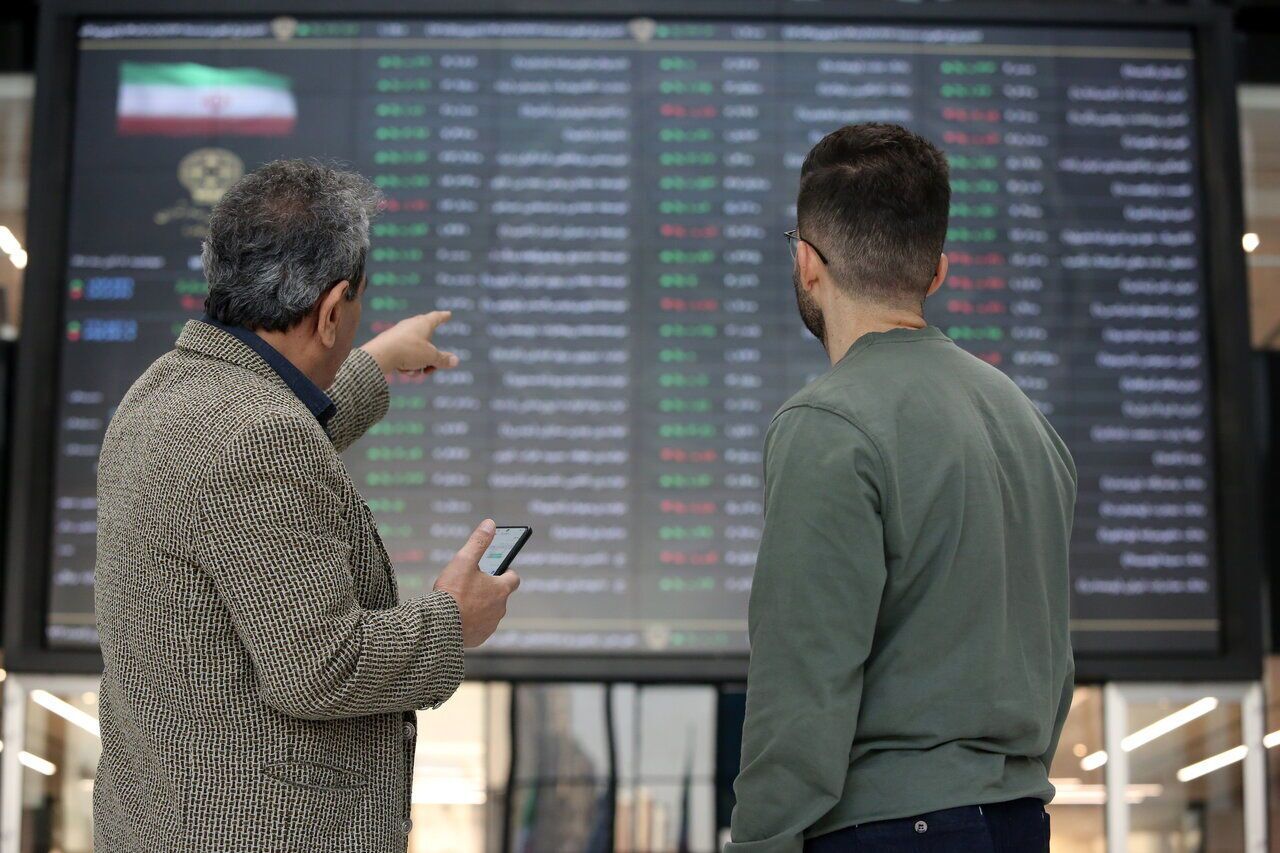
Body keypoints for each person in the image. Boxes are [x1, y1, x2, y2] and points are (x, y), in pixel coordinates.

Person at [93, 160, 519, 852]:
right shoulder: (259, 437)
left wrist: (372, 361)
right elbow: (322, 669)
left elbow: (253, 455)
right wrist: (452, 620)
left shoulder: (163, 392)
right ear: (332, 308)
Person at [726, 124, 1076, 853]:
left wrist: (759, 843)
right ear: (937, 271)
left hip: (886, 828)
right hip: (1018, 822)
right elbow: (1054, 663)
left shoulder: (829, 421)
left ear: (805, 262)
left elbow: (802, 681)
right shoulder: (1026, 421)